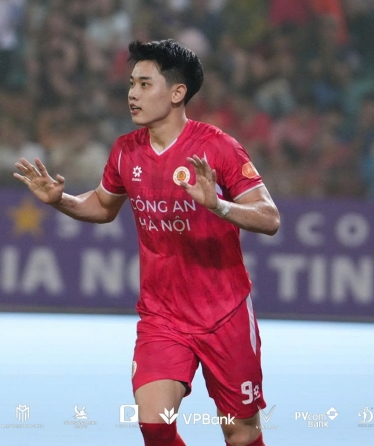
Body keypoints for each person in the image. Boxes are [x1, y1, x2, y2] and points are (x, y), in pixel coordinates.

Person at [14, 39, 280, 446]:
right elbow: (103, 205)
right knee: (155, 425)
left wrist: (218, 205)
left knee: (240, 433)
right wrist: (60, 200)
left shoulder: (217, 147)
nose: (132, 94)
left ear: (177, 93)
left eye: (144, 84)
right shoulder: (126, 151)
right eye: (131, 84)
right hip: (163, 317)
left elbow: (269, 217)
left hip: (224, 314)